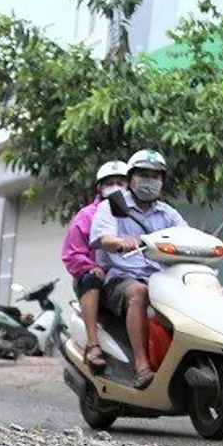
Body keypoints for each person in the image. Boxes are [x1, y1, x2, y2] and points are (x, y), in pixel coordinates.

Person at [90, 148, 187, 388]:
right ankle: (141, 367)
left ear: (162, 180)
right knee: (139, 292)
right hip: (120, 278)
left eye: (155, 176)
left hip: (161, 279)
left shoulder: (168, 213)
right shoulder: (113, 205)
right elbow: (104, 238)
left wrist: (217, 246)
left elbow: (187, 235)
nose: (150, 181)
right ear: (131, 177)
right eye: (143, 174)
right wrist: (119, 242)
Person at [60, 159, 127, 372]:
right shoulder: (87, 215)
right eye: (111, 182)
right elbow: (72, 254)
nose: (116, 187)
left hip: (126, 277)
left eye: (121, 182)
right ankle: (93, 344)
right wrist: (90, 267)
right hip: (95, 277)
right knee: (92, 278)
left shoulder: (136, 213)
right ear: (100, 187)